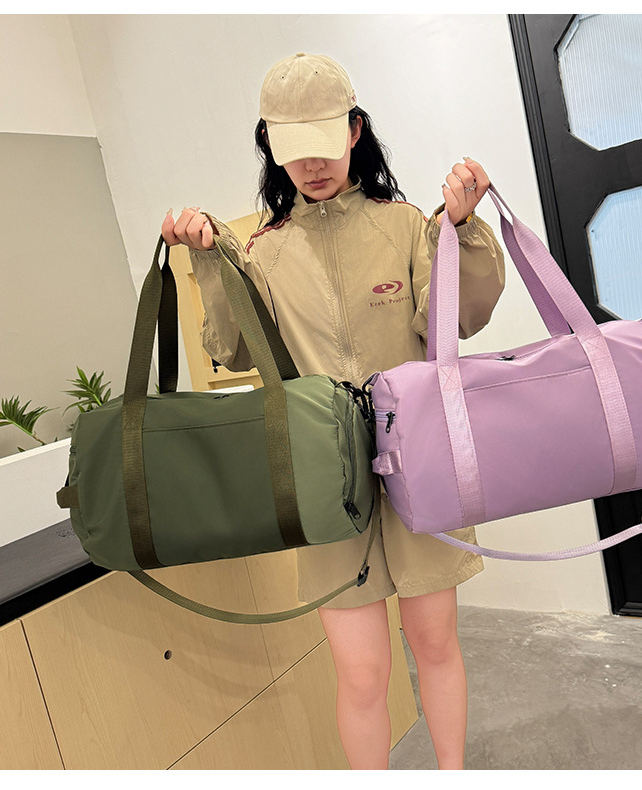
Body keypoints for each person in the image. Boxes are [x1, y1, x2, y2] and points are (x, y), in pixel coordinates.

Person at [162, 52, 505, 770]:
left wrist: (463, 230)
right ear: (270, 146)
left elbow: (460, 319)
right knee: (362, 673)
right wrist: (209, 262)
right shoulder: (261, 252)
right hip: (323, 481)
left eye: (324, 143)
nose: (312, 165)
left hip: (420, 466)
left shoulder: (406, 226)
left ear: (354, 131)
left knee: (435, 644)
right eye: (294, 150)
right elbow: (231, 349)